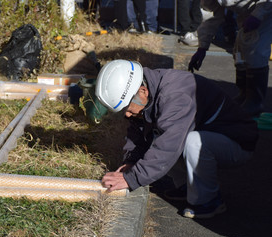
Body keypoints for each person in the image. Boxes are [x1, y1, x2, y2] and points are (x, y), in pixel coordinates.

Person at [96, 59, 258, 218]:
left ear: (143, 91)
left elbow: (168, 147)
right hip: (209, 134)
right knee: (166, 135)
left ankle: (209, 200)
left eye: (128, 109)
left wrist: (131, 179)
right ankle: (187, 186)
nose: (127, 114)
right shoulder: (148, 91)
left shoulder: (175, 97)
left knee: (190, 142)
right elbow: (137, 132)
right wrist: (131, 161)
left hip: (237, 143)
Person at [188, 0, 272, 117]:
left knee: (254, 48)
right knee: (239, 51)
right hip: (247, 13)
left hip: (266, 8)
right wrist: (202, 47)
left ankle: (255, 101)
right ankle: (244, 94)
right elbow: (211, 15)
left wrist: (258, 15)